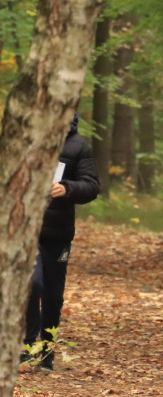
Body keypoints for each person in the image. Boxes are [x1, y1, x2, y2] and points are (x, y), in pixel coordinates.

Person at [22, 113, 100, 371]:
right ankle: (27, 344)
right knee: (32, 281)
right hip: (25, 228)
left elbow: (91, 186)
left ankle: (47, 350)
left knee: (53, 295)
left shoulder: (79, 146)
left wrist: (67, 188)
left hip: (58, 232)